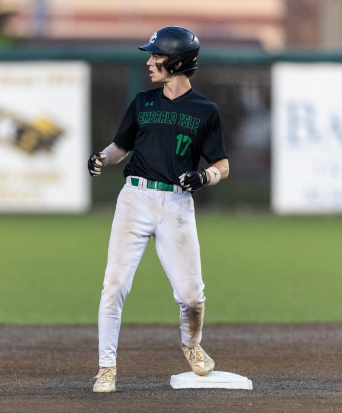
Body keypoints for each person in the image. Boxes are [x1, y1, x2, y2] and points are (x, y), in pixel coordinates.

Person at [88, 26, 230, 393]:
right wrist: (103, 157)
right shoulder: (143, 102)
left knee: (191, 297)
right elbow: (122, 146)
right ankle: (106, 367)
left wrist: (205, 177)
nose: (150, 62)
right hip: (134, 199)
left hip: (176, 205)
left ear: (179, 62)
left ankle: (191, 344)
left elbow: (222, 165)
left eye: (157, 56)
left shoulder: (205, 110)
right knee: (114, 285)